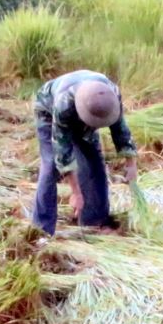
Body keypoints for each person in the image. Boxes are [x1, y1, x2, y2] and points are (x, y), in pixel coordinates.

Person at [31, 69, 138, 235]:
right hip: (48, 109)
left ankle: (94, 222)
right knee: (51, 165)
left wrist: (131, 165)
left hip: (86, 105)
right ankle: (42, 229)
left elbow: (120, 129)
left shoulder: (111, 95)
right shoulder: (63, 104)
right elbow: (63, 153)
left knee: (93, 161)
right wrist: (76, 193)